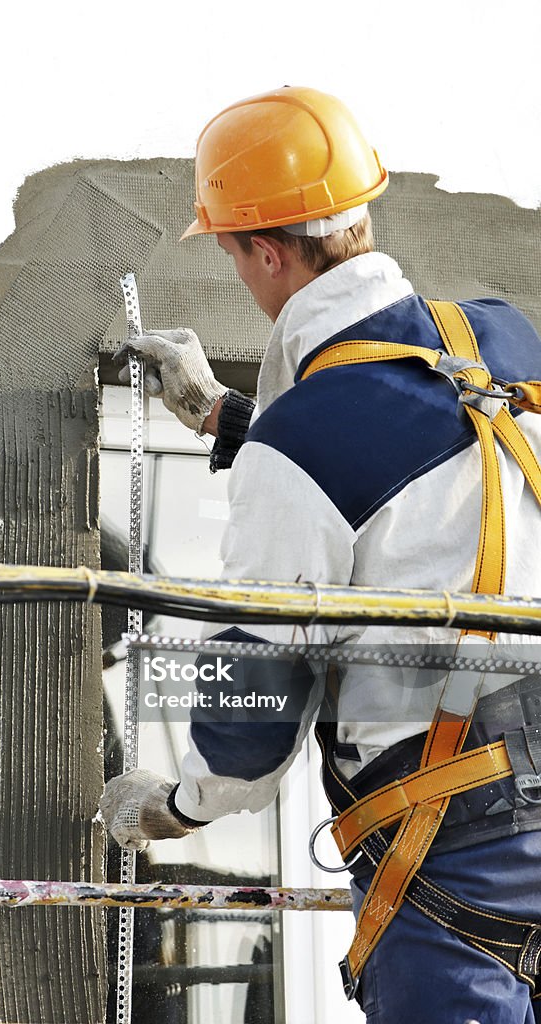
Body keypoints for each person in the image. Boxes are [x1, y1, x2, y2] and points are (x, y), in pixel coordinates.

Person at [100, 86, 541, 1023]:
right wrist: (230, 418)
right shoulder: (498, 338)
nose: (239, 278)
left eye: (231, 255)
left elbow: (258, 710)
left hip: (456, 847)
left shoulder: (301, 448)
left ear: (265, 250)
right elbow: (425, 483)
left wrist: (178, 806)